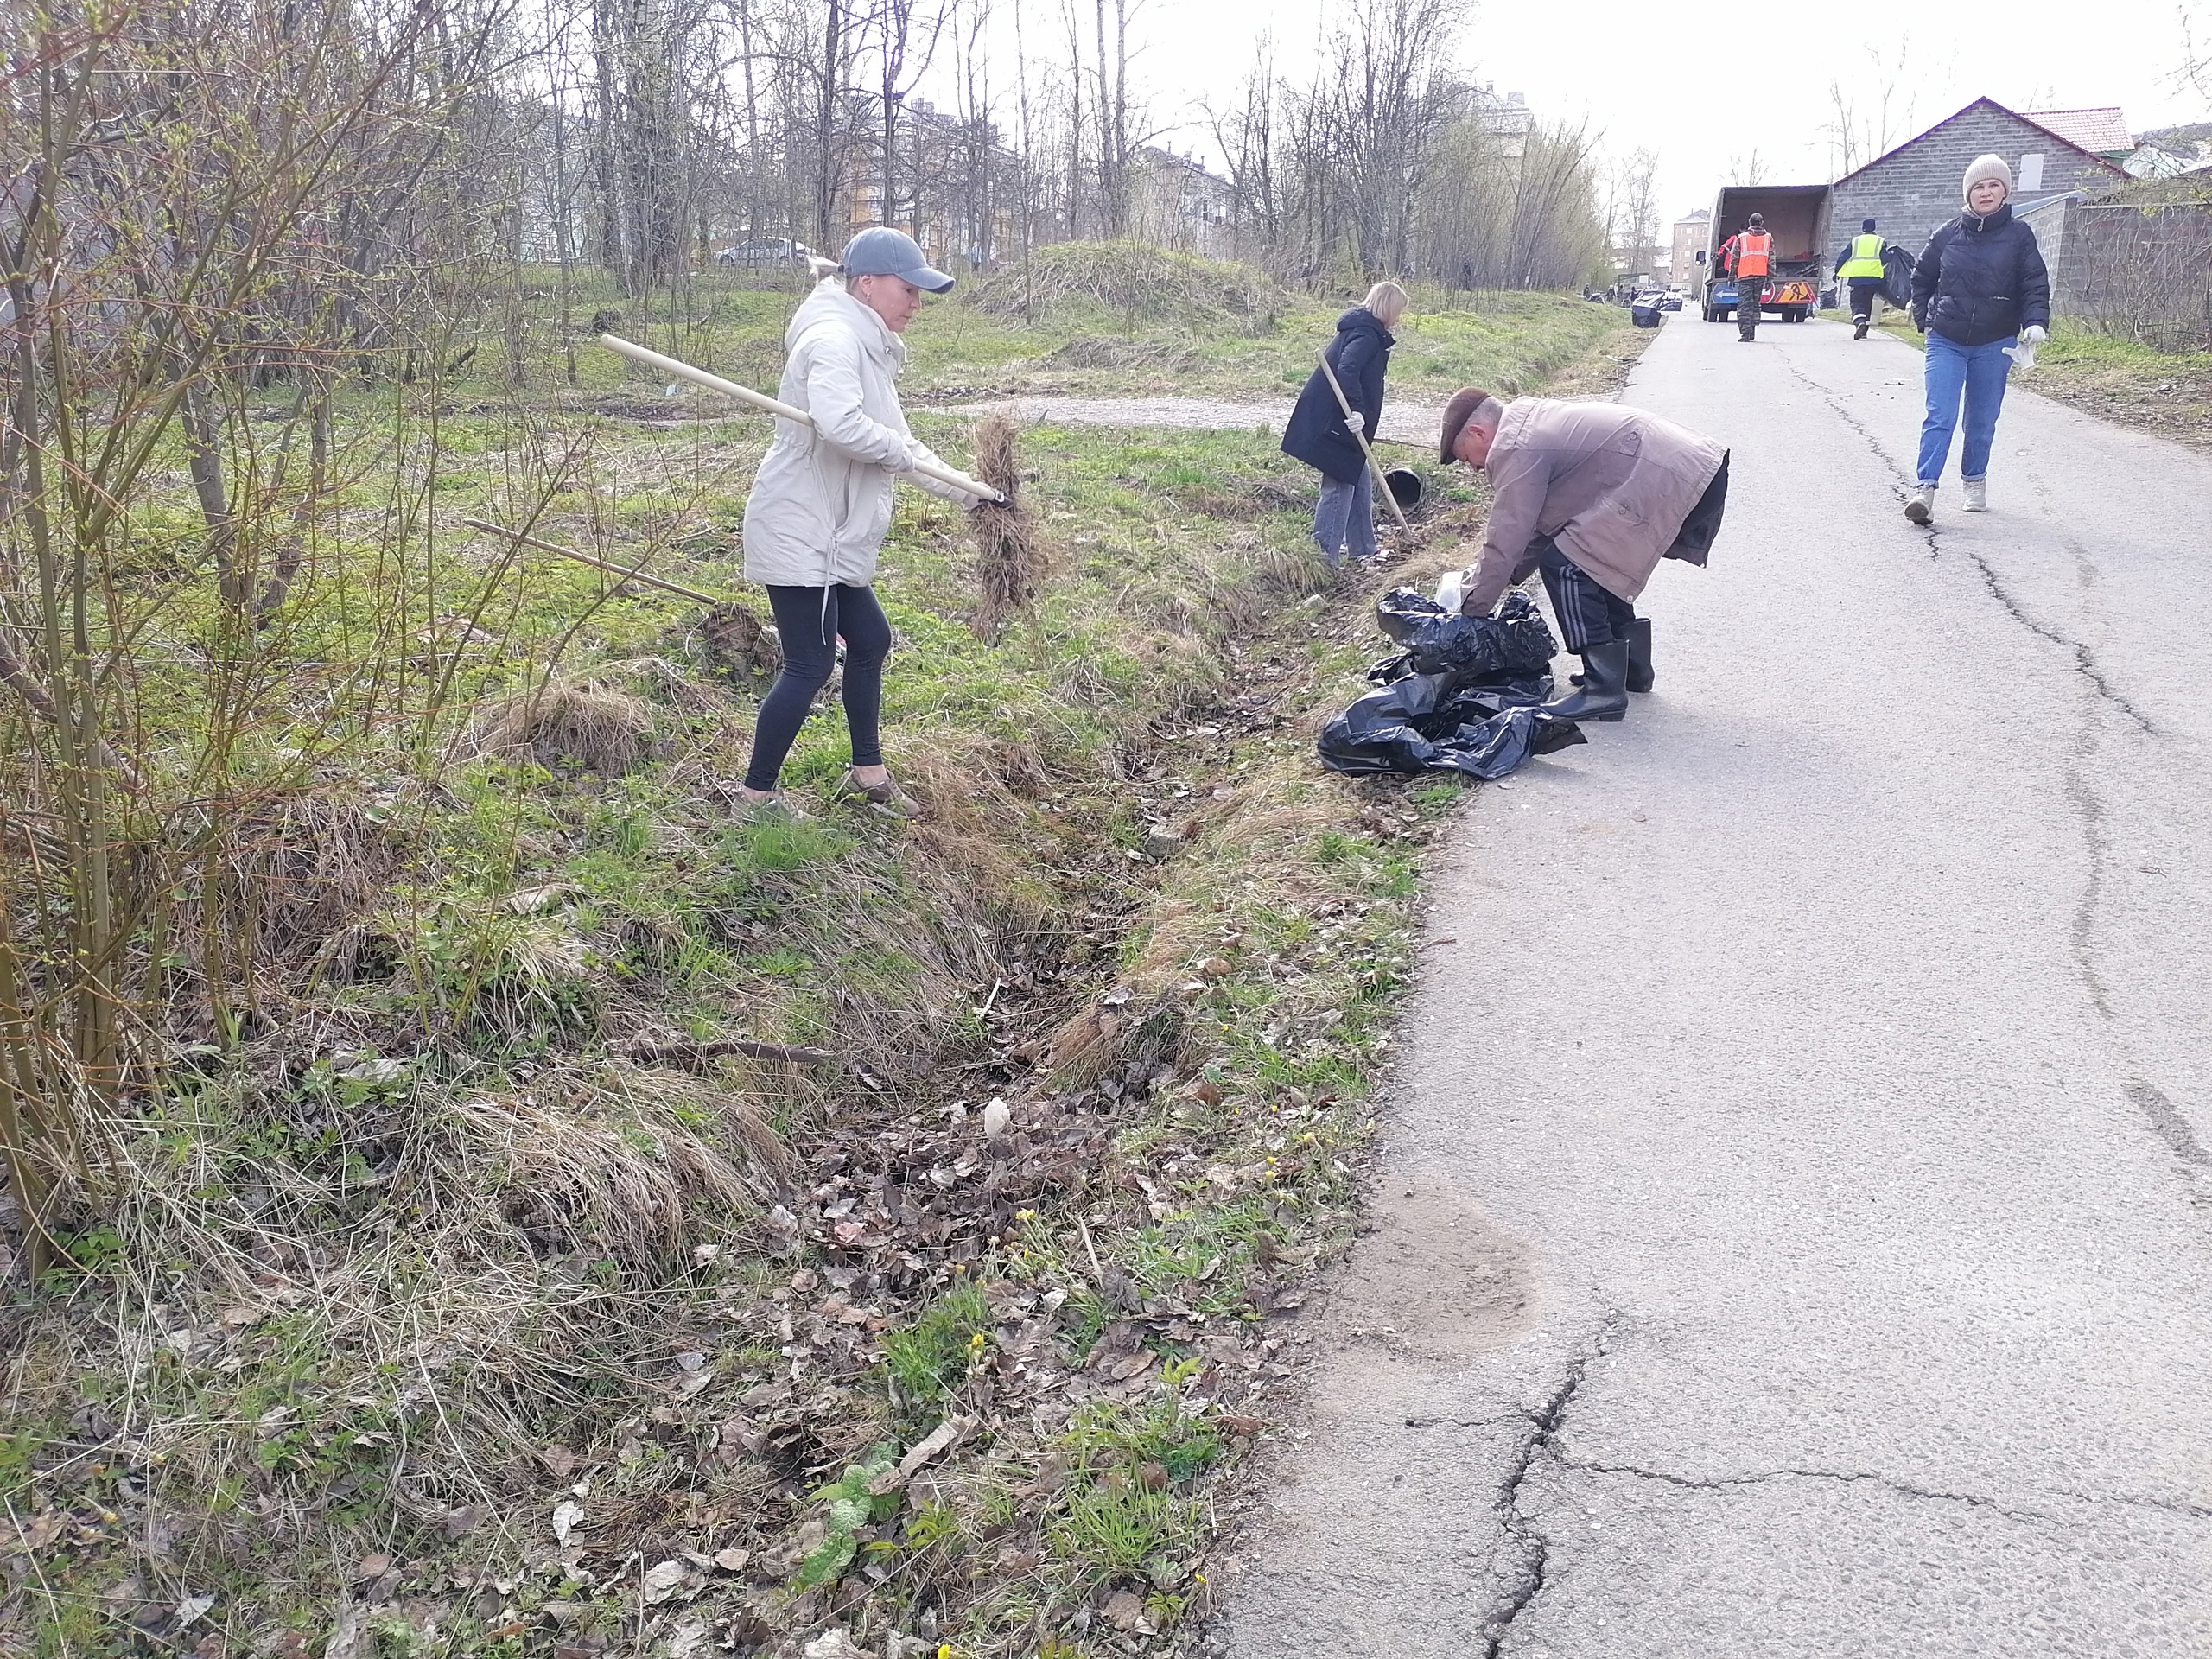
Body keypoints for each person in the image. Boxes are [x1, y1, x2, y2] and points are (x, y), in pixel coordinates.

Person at [738, 226, 986, 817]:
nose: (917, 303)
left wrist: (972, 495)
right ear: (868, 285)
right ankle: (754, 797)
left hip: (832, 529)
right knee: (810, 663)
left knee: (870, 639)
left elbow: (898, 445)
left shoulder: (864, 344)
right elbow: (843, 426)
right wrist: (901, 454)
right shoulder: (833, 338)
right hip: (802, 527)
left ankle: (868, 771)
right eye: (910, 289)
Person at [1438, 387, 1729, 721]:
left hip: (1679, 477)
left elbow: (1507, 536)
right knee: (1593, 559)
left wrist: (1472, 611)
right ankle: (1633, 671)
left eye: (1466, 458)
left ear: (1478, 432)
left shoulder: (1515, 446)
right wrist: (1504, 578)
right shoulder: (1527, 425)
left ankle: (1603, 690)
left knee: (1567, 565)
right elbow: (1535, 530)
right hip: (1693, 470)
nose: (1473, 468)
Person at [1904, 155, 2050, 522]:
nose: (1986, 192)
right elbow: (1921, 278)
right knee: (1941, 414)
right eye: (1979, 187)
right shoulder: (1947, 234)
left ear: (2005, 192)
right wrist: (1925, 320)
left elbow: (2034, 283)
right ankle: (1924, 489)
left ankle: (1974, 480)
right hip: (1947, 338)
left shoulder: (2020, 236)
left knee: (1982, 419)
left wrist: (2035, 322)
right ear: (1968, 193)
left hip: (1995, 341)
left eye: (1993, 186)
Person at [1281, 281, 1408, 570]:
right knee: (1339, 486)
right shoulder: (1366, 334)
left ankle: (1362, 548)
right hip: (1336, 426)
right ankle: (1324, 558)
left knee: (1359, 478)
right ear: (1388, 308)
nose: (1399, 319)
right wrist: (1359, 411)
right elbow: (1347, 369)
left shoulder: (1362, 329)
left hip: (1339, 423)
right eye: (1398, 311)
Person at [1714, 213, 1774, 341]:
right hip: (1761, 275)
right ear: (1762, 223)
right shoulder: (1768, 238)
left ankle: (1745, 333)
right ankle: (1752, 330)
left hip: (1745, 275)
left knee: (1744, 305)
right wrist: (1770, 278)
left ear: (1749, 223)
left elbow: (1735, 259)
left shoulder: (1742, 238)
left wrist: (1731, 275)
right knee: (1755, 303)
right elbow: (1771, 260)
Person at [1835, 217, 1887, 339]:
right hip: (1873, 278)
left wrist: (1836, 271)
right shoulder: (1880, 241)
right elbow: (1885, 258)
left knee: (1856, 302)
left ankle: (1860, 322)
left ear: (1863, 228)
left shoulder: (1855, 241)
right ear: (1874, 228)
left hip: (1856, 277)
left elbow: (1843, 257)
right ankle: (1864, 332)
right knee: (1867, 302)